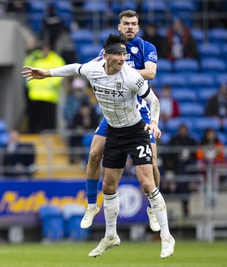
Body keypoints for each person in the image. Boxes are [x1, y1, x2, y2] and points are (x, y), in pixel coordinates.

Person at [22, 34, 175, 258]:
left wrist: (153, 122)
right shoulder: (93, 69)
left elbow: (154, 100)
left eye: (124, 54)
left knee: (146, 182)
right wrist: (47, 73)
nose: (122, 58)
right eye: (118, 54)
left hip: (136, 131)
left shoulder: (132, 76)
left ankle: (166, 236)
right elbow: (75, 68)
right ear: (106, 56)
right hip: (114, 131)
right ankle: (111, 236)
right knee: (109, 186)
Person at [79, 10, 162, 233]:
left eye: (134, 24)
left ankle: (153, 208)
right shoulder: (109, 50)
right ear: (119, 26)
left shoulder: (146, 48)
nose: (130, 27)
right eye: (126, 24)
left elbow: (151, 73)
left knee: (152, 163)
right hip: (114, 111)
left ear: (138, 26)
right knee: (95, 152)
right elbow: (97, 66)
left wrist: (123, 71)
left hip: (140, 109)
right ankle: (91, 205)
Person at [23, 44, 65, 133]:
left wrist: (50, 84)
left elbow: (61, 73)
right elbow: (27, 67)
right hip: (34, 95)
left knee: (48, 122)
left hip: (49, 96)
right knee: (34, 120)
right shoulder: (35, 58)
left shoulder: (56, 59)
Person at [162, 124, 197, 217]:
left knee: (185, 188)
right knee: (163, 187)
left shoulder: (191, 141)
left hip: (186, 171)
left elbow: (195, 158)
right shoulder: (173, 141)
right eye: (181, 130)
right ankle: (162, 212)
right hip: (174, 170)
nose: (182, 131)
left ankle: (185, 210)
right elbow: (168, 159)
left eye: (184, 129)